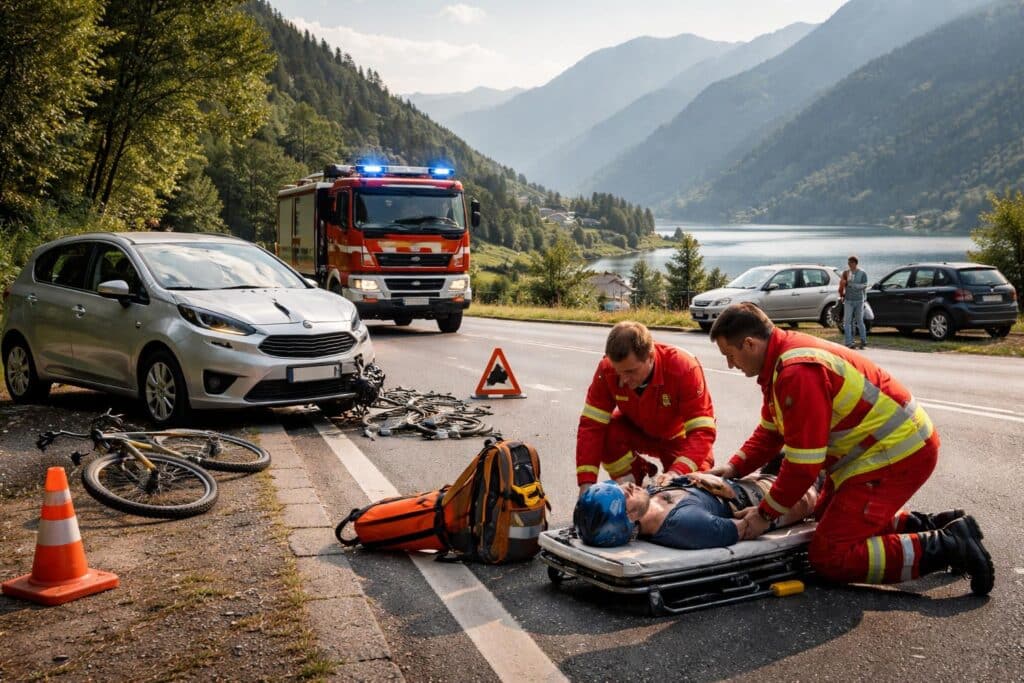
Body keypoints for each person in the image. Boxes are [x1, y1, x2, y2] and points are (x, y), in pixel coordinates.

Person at [706, 302, 994, 595]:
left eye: (730, 355)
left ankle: (948, 546)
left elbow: (803, 466)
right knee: (827, 516)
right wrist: (733, 468)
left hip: (895, 454)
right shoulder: (783, 361)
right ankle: (934, 525)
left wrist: (763, 515)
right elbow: (770, 432)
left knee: (830, 556)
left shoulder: (796, 373)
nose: (731, 364)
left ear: (750, 344)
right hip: (879, 452)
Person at [576, 321, 716, 495]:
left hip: (679, 440)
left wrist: (676, 472)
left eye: (631, 372)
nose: (623, 380)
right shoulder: (607, 369)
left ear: (650, 356)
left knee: (691, 491)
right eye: (619, 372)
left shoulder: (683, 367)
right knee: (607, 433)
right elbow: (591, 427)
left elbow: (702, 432)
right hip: (638, 432)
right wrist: (586, 484)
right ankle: (632, 482)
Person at [574, 470, 817, 550]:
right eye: (624, 495)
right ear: (628, 519)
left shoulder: (651, 495)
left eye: (621, 487)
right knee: (817, 475)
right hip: (766, 495)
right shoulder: (685, 525)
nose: (627, 486)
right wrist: (770, 510)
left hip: (749, 479)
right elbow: (750, 527)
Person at [841, 256, 869, 349]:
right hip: (848, 300)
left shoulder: (862, 273)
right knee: (847, 322)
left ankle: (863, 341)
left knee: (859, 321)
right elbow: (842, 285)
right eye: (848, 263)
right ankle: (849, 342)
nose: (849, 265)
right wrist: (842, 292)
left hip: (859, 300)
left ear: (855, 263)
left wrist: (852, 285)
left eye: (851, 263)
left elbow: (864, 285)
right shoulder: (846, 272)